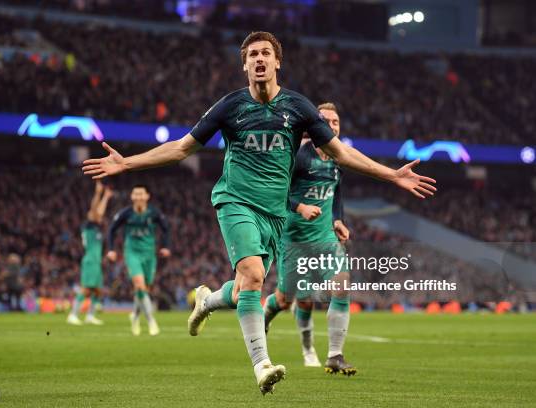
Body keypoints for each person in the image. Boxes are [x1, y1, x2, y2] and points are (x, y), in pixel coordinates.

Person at [82, 31, 436, 394]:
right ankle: (262, 366)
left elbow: (342, 155)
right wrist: (127, 163)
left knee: (242, 290)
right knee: (253, 275)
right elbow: (181, 148)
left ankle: (208, 300)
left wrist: (392, 174)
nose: (259, 59)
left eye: (266, 53)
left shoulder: (298, 108)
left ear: (277, 61)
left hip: (274, 216)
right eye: (252, 55)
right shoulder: (230, 106)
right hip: (235, 201)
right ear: (245, 65)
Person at [263, 102, 355, 375]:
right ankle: (266, 318)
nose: (331, 125)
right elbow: (277, 191)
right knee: (289, 300)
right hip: (294, 238)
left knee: (341, 285)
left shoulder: (339, 159)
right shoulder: (299, 156)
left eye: (335, 122)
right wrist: (300, 207)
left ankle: (335, 355)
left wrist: (337, 219)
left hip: (325, 236)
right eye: (325, 120)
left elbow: (336, 193)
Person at [107, 185, 171, 336]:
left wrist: (166, 246)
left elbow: (166, 228)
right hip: (132, 253)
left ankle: (135, 317)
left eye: (141, 194)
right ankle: (151, 321)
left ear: (147, 196)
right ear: (132, 196)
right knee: (140, 287)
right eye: (136, 193)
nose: (139, 196)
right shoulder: (126, 213)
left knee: (143, 290)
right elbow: (111, 229)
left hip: (149, 255)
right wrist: (111, 249)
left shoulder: (154, 212)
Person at [68, 182, 113, 325]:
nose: (97, 215)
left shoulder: (97, 227)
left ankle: (90, 316)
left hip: (96, 261)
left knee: (97, 290)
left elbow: (99, 212)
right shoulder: (89, 226)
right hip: (90, 261)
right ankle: (73, 314)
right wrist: (98, 194)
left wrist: (106, 196)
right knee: (86, 289)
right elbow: (96, 210)